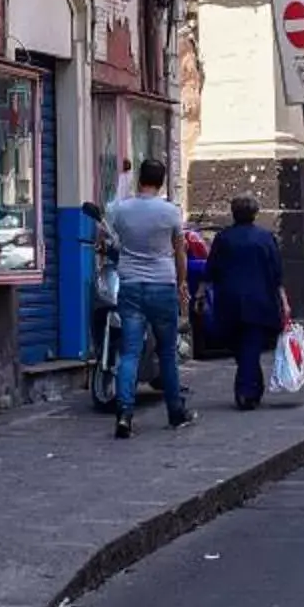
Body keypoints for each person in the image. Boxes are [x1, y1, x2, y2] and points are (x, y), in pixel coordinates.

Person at [104, 159, 191, 439]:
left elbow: (106, 235)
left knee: (129, 352)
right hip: (162, 286)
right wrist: (181, 284)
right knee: (166, 352)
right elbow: (180, 253)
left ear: (141, 178)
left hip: (130, 285)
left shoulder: (122, 209)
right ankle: (175, 411)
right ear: (162, 181)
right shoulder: (171, 212)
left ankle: (125, 414)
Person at [203, 196, 290, 410]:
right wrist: (284, 300)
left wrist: (199, 295)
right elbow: (276, 272)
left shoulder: (223, 238)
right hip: (259, 300)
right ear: (255, 214)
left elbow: (211, 268)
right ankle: (247, 391)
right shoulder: (265, 238)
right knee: (250, 347)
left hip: (229, 300)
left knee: (241, 347)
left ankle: (249, 389)